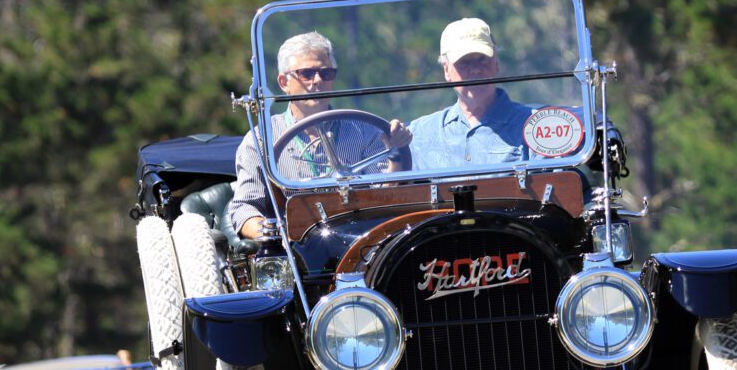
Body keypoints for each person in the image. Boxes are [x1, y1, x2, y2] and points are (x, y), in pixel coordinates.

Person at [229, 31, 411, 240]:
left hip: (361, 240)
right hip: (297, 245)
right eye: (306, 73)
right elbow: (244, 208)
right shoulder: (261, 139)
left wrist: (394, 151)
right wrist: (278, 238)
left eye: (326, 74)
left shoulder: (365, 131)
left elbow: (386, 197)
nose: (317, 81)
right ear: (284, 82)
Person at [407, 18, 534, 171]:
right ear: (447, 70)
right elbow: (393, 184)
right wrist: (395, 152)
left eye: (482, 59)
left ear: (496, 64)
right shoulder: (419, 133)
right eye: (464, 62)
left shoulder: (534, 126)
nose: (475, 70)